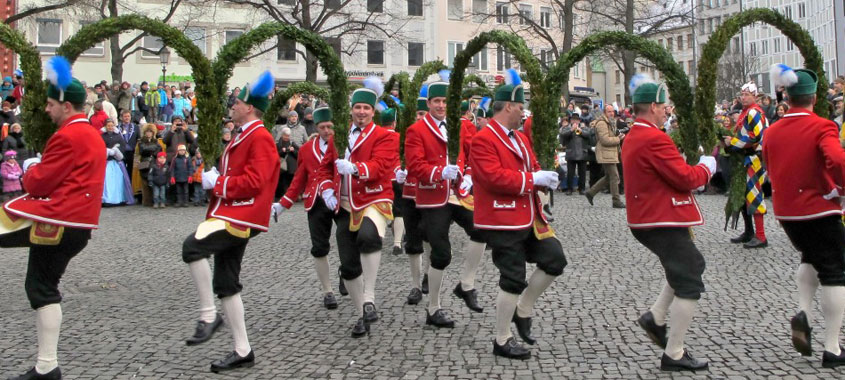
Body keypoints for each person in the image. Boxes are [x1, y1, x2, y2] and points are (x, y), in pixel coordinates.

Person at [3, 56, 106, 379]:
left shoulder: (68, 136)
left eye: (50, 104)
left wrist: (31, 168)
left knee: (42, 288)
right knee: (41, 286)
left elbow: (38, 183)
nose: (47, 110)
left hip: (57, 220)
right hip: (76, 223)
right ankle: (46, 366)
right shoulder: (90, 134)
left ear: (65, 105)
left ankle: (48, 367)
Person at [179, 71, 279, 372]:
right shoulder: (245, 135)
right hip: (231, 212)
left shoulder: (259, 137)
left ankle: (209, 315)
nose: (232, 105)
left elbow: (255, 182)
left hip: (241, 215)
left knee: (192, 248)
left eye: (237, 102)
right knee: (226, 282)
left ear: (249, 108)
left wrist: (218, 183)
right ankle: (242, 349)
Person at [469, 69, 566, 360]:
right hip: (500, 217)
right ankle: (502, 339)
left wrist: (546, 175)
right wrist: (533, 180)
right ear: (508, 106)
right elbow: (493, 178)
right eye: (521, 107)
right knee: (512, 276)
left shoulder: (520, 138)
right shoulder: (484, 139)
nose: (524, 112)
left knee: (555, 259)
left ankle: (522, 310)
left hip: (529, 215)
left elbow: (532, 166)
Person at [623, 74, 716, 372]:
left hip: (651, 217)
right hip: (658, 218)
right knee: (690, 274)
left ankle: (656, 316)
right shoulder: (653, 137)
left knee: (682, 268)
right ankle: (674, 352)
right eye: (663, 106)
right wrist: (706, 168)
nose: (667, 110)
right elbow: (684, 178)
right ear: (652, 106)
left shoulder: (637, 134)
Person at [763, 64, 845, 368]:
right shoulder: (823, 126)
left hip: (787, 213)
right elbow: (836, 160)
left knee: (810, 258)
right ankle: (833, 347)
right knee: (835, 271)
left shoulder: (773, 130)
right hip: (819, 209)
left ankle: (804, 313)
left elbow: (770, 168)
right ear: (813, 97)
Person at [316, 77, 398, 337]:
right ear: (351, 109)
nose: (361, 112)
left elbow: (381, 166)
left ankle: (370, 295)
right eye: (357, 107)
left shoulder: (385, 136)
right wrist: (326, 188)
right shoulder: (337, 135)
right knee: (349, 265)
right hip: (344, 204)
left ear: (373, 112)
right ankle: (361, 310)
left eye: (366, 108)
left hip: (373, 198)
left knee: (369, 236)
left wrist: (357, 168)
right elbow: (324, 168)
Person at [405, 70, 487, 328]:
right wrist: (439, 171)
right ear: (428, 104)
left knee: (482, 228)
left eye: (445, 101)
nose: (441, 106)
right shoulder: (416, 130)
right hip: (433, 196)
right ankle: (434, 308)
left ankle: (467, 284)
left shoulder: (463, 126)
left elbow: (475, 154)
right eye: (436, 101)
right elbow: (415, 166)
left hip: (459, 194)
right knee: (441, 254)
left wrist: (470, 176)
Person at [273, 106, 340, 310]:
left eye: (329, 126)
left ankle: (348, 272)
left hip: (338, 199)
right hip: (315, 201)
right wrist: (283, 203)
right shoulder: (307, 149)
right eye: (322, 127)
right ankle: (327, 290)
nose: (326, 131)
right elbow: (300, 179)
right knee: (319, 247)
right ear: (316, 128)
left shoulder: (344, 144)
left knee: (349, 242)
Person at [723, 82, 769, 248]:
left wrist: (732, 142)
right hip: (745, 159)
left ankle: (761, 236)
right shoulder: (745, 112)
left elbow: (756, 137)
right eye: (742, 94)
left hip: (755, 160)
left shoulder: (754, 112)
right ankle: (749, 231)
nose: (743, 97)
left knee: (754, 196)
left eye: (747, 94)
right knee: (744, 196)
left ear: (754, 96)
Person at [585, 105, 625, 208]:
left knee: (608, 176)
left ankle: (591, 193)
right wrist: (618, 139)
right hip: (606, 153)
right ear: (604, 112)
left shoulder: (609, 122)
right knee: (614, 176)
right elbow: (604, 140)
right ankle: (616, 200)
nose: (612, 113)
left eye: (612, 111)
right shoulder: (602, 123)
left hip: (610, 153)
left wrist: (618, 136)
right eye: (609, 111)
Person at [101, 119, 134, 206]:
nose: (110, 127)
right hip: (107, 162)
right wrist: (107, 151)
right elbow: (100, 147)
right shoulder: (102, 136)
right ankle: (107, 199)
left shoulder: (118, 136)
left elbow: (122, 146)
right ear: (106, 126)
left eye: (112, 126)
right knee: (107, 182)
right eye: (108, 126)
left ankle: (119, 198)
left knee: (118, 181)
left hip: (116, 162)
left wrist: (116, 151)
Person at [559, 113, 593, 195]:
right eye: (573, 119)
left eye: (576, 120)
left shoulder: (584, 128)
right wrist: (571, 130)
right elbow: (563, 135)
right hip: (571, 153)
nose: (575, 121)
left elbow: (588, 135)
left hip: (582, 153)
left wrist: (580, 131)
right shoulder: (567, 128)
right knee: (570, 173)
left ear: (579, 120)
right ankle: (569, 189)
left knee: (582, 173)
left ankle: (582, 188)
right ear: (571, 120)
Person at [134, 123, 163, 207]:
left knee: (154, 182)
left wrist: (151, 149)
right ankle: (147, 201)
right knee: (145, 183)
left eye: (150, 131)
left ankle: (156, 200)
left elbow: (159, 150)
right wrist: (153, 149)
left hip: (153, 163)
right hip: (144, 164)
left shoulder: (156, 141)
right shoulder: (141, 141)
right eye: (147, 131)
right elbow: (143, 150)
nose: (148, 133)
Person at [275, 127, 298, 197]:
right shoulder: (278, 144)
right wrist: (282, 151)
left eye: (288, 136)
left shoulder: (292, 143)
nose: (286, 137)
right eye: (285, 135)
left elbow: (299, 154)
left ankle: (292, 195)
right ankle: (283, 195)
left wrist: (293, 150)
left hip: (292, 167)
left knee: (291, 181)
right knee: (282, 181)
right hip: (282, 167)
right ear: (282, 135)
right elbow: (275, 155)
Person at [117, 110, 138, 175]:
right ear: (121, 117)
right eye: (125, 116)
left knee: (130, 170)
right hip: (121, 152)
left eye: (128, 116)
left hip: (131, 152)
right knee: (121, 170)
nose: (127, 118)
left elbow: (138, 138)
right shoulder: (117, 128)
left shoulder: (135, 127)